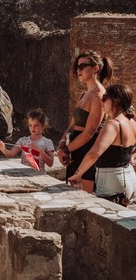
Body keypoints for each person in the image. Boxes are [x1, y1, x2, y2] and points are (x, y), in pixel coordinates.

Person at [68, 84, 136, 207]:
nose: (102, 101)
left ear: (117, 100)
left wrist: (78, 174)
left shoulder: (113, 124)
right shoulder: (131, 122)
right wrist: (131, 157)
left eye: (105, 97)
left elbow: (94, 154)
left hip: (112, 182)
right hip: (129, 178)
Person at [56, 50, 114, 193]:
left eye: (83, 66)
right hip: (74, 149)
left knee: (84, 198)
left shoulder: (99, 95)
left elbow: (89, 132)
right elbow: (72, 125)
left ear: (95, 69)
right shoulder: (85, 94)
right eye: (77, 66)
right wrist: (62, 144)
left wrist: (65, 150)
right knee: (71, 195)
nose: (78, 70)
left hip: (87, 151)